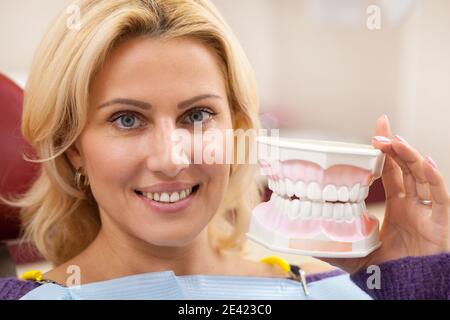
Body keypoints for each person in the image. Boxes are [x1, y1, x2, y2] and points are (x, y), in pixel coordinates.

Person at [0, 0, 449, 300]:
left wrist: (408, 283)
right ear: (72, 147)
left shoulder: (327, 290)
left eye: (197, 115)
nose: (172, 159)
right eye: (126, 119)